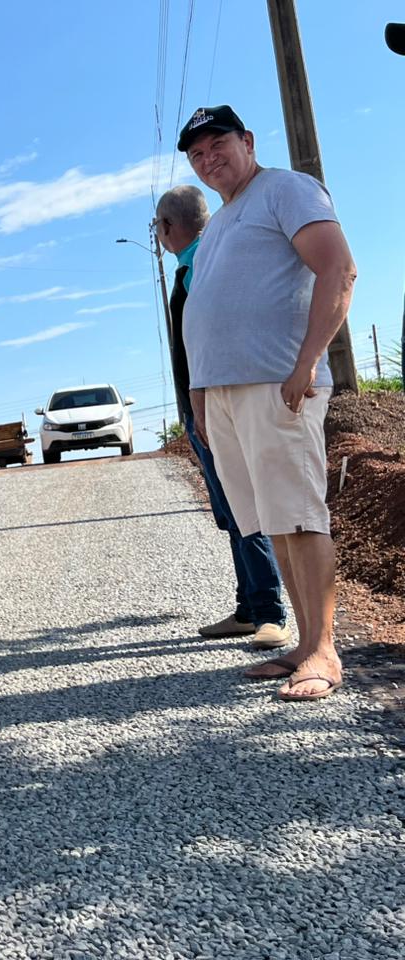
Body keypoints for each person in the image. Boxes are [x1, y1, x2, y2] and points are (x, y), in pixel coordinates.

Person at [177, 104, 357, 701]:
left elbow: (338, 269)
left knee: (300, 517)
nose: (209, 159)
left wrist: (306, 362)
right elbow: (206, 315)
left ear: (248, 142)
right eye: (198, 155)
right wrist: (202, 397)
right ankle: (302, 644)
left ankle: (324, 651)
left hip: (278, 383)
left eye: (218, 145)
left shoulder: (285, 189)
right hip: (227, 395)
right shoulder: (223, 221)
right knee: (272, 522)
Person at [156, 184, 290, 651]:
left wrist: (205, 406)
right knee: (231, 511)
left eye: (158, 227)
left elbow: (215, 339)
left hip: (219, 406)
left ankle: (270, 612)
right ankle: (250, 606)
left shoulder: (202, 266)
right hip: (211, 405)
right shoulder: (195, 264)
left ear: (168, 227)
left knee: (242, 507)